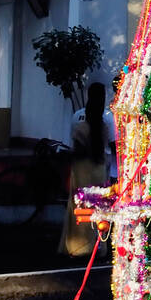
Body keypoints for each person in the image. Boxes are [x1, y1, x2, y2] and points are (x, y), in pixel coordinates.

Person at [59, 82, 113, 257]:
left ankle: (75, 246)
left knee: (78, 206)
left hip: (80, 166)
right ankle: (98, 246)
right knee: (99, 207)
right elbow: (112, 145)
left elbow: (72, 143)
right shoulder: (107, 119)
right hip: (98, 166)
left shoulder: (77, 116)